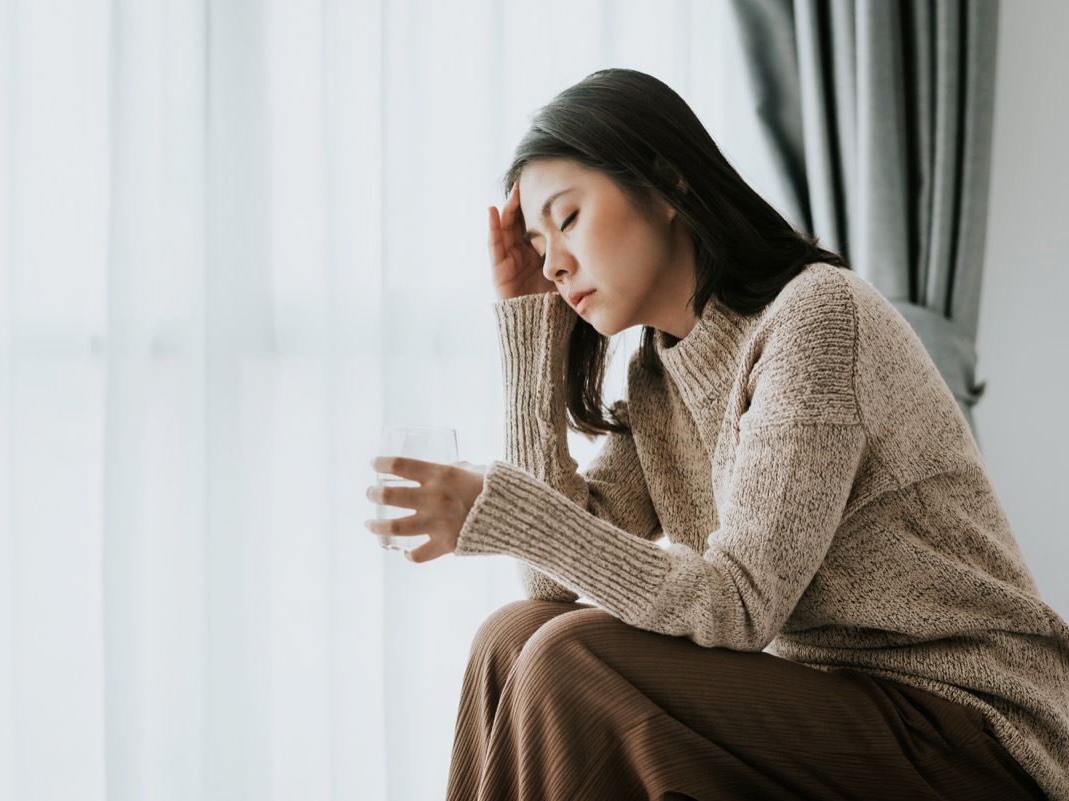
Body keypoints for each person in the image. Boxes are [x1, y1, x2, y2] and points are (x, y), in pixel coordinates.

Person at [364, 68, 1069, 801]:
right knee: (510, 638)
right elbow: (551, 583)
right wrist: (530, 326)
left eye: (567, 219)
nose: (555, 262)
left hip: (972, 728)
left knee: (570, 659)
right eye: (540, 245)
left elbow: (737, 603)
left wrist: (501, 507)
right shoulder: (656, 376)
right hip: (835, 701)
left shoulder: (814, 318)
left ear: (665, 183)